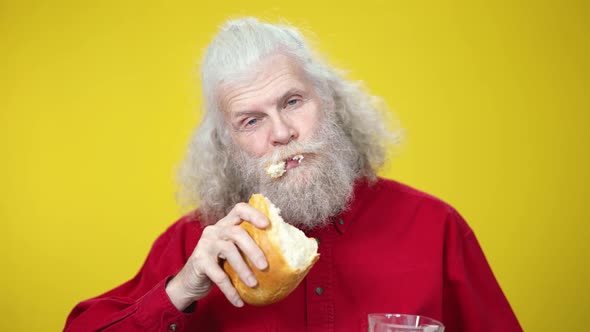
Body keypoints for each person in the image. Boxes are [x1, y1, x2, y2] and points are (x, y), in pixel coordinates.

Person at [64, 18, 522, 331]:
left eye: (292, 102)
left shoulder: (435, 227)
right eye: (251, 120)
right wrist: (182, 289)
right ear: (226, 145)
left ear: (330, 102)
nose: (282, 133)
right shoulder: (194, 246)